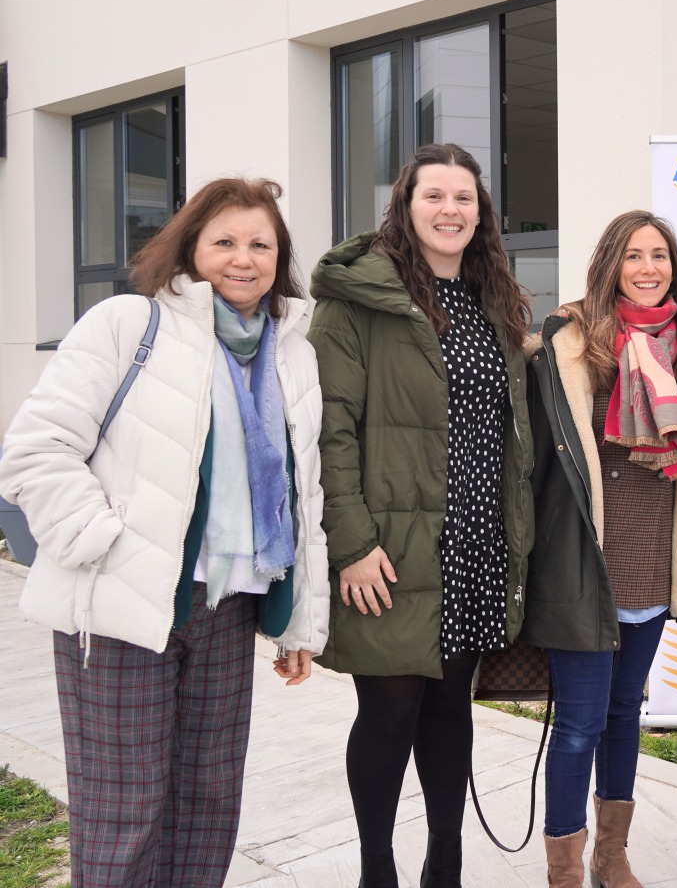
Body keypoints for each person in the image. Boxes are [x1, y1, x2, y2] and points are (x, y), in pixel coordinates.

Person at [0, 178, 328, 888]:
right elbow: (33, 449)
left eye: (260, 244)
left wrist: (302, 619)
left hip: (228, 607)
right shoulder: (127, 324)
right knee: (125, 809)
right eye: (225, 242)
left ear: (280, 257)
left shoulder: (289, 353)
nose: (243, 259)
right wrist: (104, 543)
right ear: (190, 249)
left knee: (208, 803)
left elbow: (306, 495)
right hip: (123, 603)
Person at [308, 142, 534, 888]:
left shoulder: (492, 298)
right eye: (433, 196)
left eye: (464, 198)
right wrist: (351, 543)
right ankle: (378, 869)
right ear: (406, 206)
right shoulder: (358, 298)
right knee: (388, 712)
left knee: (449, 709)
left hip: (475, 538)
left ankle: (447, 861)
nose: (449, 210)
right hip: (392, 544)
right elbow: (330, 428)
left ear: (481, 213)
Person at [521, 210, 677, 888]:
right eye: (633, 256)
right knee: (579, 723)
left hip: (652, 551)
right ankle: (564, 870)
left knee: (627, 713)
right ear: (609, 266)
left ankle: (610, 856)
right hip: (583, 557)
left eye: (659, 255)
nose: (648, 267)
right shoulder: (569, 338)